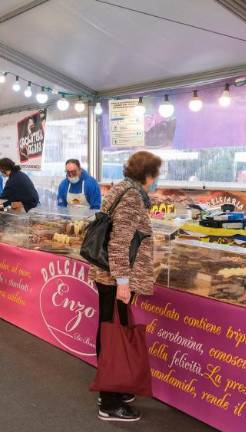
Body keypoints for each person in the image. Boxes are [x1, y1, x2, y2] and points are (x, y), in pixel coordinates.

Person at [89, 151, 162, 422]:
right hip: (115, 277)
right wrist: (122, 281)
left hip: (108, 274)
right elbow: (120, 241)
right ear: (149, 174)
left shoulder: (123, 188)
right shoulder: (132, 197)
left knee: (109, 329)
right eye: (156, 174)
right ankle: (109, 401)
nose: (157, 179)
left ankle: (112, 387)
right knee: (112, 333)